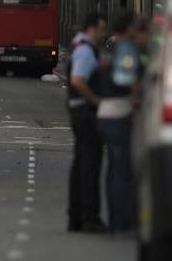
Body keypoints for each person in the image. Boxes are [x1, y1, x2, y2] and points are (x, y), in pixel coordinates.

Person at [67, 12, 107, 233]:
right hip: (85, 112)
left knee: (81, 164)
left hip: (78, 110)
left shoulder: (79, 46)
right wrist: (95, 100)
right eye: (101, 29)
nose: (103, 34)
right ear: (92, 28)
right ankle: (89, 216)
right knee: (90, 165)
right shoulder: (85, 50)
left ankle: (76, 216)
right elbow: (77, 80)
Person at [96, 11, 136, 234]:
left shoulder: (107, 50)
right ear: (128, 28)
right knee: (122, 169)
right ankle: (122, 221)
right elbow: (125, 78)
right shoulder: (125, 49)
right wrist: (136, 91)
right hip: (120, 112)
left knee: (113, 169)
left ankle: (113, 218)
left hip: (104, 111)